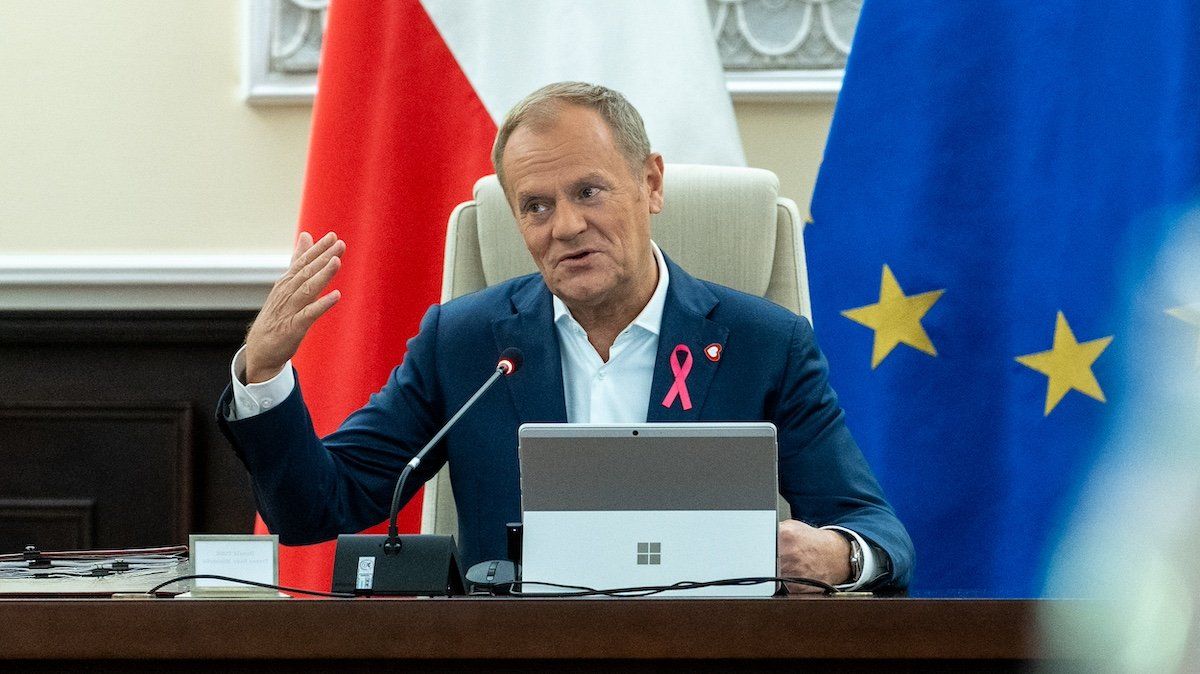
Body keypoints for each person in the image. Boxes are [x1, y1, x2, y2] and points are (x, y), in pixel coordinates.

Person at [217, 82, 914, 592]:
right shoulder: (465, 343)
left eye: (589, 192)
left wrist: (839, 556)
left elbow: (875, 531)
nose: (566, 227)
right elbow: (317, 507)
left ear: (651, 184)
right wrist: (265, 373)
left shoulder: (765, 342)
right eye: (537, 206)